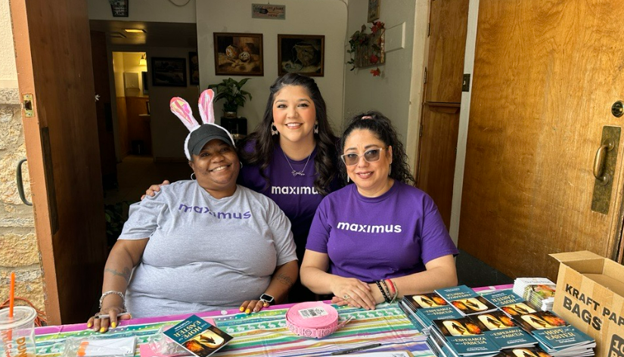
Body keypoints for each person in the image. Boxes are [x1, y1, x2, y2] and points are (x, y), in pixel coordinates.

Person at [88, 90, 298, 332]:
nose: (217, 158)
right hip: (153, 318)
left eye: (224, 149)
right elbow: (125, 250)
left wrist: (267, 300)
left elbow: (288, 263)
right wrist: (112, 301)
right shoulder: (163, 197)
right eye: (205, 154)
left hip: (237, 320)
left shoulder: (264, 207)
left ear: (236, 156)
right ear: (192, 164)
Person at [144, 74, 342, 303]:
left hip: (325, 273)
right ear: (272, 116)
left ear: (317, 112)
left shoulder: (340, 155)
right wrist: (167, 192)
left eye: (303, 105)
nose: (292, 114)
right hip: (265, 271)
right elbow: (213, 179)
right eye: (282, 106)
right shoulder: (250, 152)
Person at [300, 111, 458, 310]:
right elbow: (308, 271)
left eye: (372, 153)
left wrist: (384, 289)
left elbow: (446, 274)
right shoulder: (331, 204)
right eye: (351, 156)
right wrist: (336, 283)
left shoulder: (419, 203)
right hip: (344, 306)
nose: (362, 164)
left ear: (389, 155)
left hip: (404, 305)